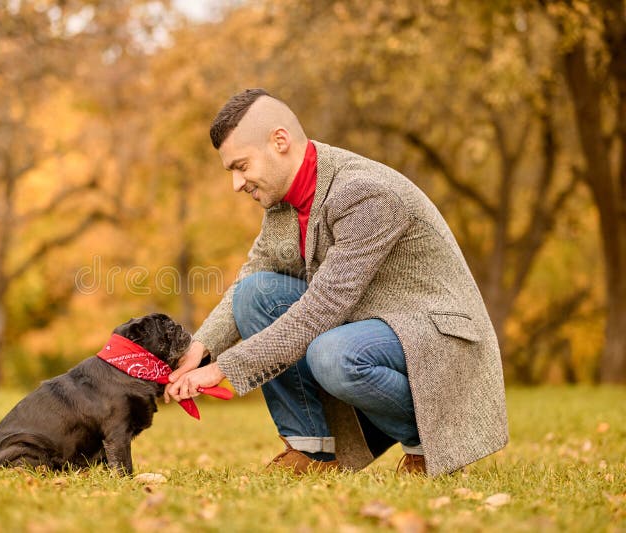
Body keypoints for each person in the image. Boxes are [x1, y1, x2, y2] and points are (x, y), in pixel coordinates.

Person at [164, 88, 508, 476]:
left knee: (332, 353)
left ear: (279, 141)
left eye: (241, 166)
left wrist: (222, 369)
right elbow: (254, 273)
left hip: (437, 335)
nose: (237, 183)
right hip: (368, 324)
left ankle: (428, 447)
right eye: (231, 171)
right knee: (256, 292)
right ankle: (313, 451)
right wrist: (201, 348)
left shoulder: (364, 192)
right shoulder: (282, 200)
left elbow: (322, 309)